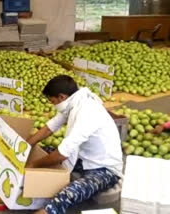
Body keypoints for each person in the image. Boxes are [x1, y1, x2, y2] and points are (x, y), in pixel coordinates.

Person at [26, 75, 123, 214]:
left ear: (61, 97)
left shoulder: (87, 111)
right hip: (83, 159)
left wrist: (34, 165)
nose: (53, 105)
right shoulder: (73, 104)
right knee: (43, 151)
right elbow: (49, 128)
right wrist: (24, 147)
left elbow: (62, 154)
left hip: (104, 168)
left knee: (69, 193)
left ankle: (46, 211)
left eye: (53, 101)